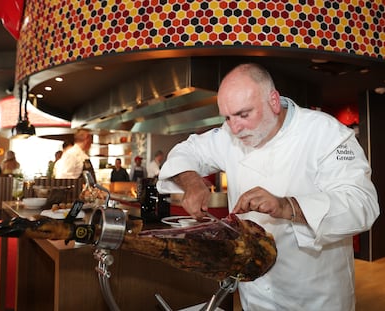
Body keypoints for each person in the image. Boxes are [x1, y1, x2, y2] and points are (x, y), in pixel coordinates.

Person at [157, 63, 379, 311]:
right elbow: (187, 150)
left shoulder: (325, 133)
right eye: (227, 117)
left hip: (315, 297)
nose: (235, 128)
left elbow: (363, 204)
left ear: (273, 101)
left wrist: (288, 206)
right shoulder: (229, 136)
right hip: (255, 296)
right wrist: (192, 182)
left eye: (243, 114)